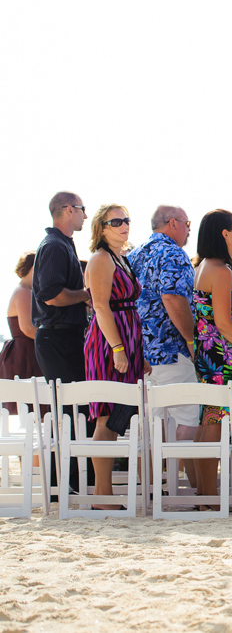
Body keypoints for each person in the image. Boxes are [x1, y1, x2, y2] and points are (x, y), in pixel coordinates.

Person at [128, 205, 198, 487]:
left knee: (153, 422)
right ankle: (183, 486)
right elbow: (173, 299)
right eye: (186, 223)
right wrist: (192, 340)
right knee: (189, 417)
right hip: (170, 348)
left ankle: (153, 488)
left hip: (142, 352)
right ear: (172, 224)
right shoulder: (172, 253)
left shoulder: (135, 254)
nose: (189, 229)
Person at [83, 204, 146, 509]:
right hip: (108, 343)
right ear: (102, 227)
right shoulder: (100, 258)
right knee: (105, 416)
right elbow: (100, 306)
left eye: (127, 220)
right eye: (116, 221)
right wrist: (119, 348)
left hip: (127, 339)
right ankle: (101, 495)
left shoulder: (121, 258)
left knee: (119, 414)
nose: (124, 225)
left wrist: (137, 353)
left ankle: (104, 494)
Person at [193, 210, 232, 508]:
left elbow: (213, 311)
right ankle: (206, 497)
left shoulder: (207, 265)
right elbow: (221, 321)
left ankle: (205, 494)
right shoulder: (219, 270)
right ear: (224, 234)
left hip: (210, 352)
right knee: (215, 423)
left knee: (209, 421)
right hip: (222, 355)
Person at [32, 192, 91, 492]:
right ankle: (63, 485)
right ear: (69, 210)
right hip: (57, 338)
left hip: (63, 337)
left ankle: (71, 483)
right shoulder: (55, 245)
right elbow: (52, 295)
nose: (85, 215)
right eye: (82, 209)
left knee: (72, 410)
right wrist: (86, 294)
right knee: (67, 411)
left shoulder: (62, 243)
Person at [0, 252, 42, 412]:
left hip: (25, 351)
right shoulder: (24, 292)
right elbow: (27, 328)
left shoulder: (24, 290)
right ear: (33, 269)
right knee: (27, 407)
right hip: (24, 354)